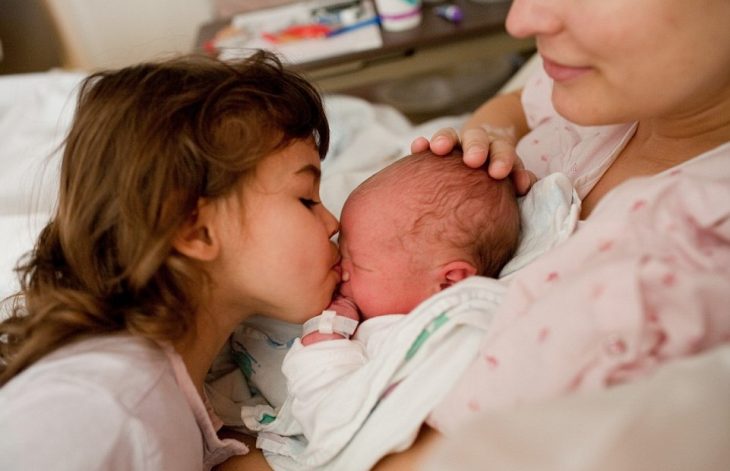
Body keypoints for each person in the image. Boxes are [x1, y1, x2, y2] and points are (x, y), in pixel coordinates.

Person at [400, 0, 730, 468]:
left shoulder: (691, 252)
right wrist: (487, 134)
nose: (520, 20)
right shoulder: (603, 95)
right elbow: (518, 103)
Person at [0, 50, 342, 470]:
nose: (332, 221)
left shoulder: (181, 388)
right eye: (306, 199)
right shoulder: (105, 407)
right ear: (194, 230)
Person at [230, 149, 519, 469]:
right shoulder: (389, 307)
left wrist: (323, 341)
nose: (340, 265)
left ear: (449, 282)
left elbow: (335, 417)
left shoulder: (441, 335)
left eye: (359, 264)